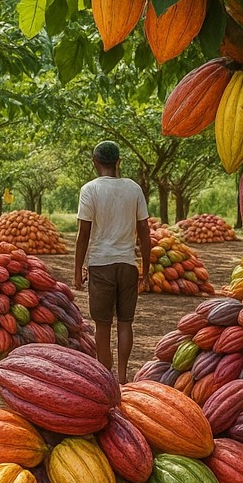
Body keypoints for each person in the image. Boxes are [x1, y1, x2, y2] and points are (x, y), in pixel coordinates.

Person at [74, 141, 152, 383]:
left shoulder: (89, 190)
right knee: (126, 323)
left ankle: (105, 377)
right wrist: (146, 270)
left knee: (103, 325)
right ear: (119, 162)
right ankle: (123, 376)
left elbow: (83, 234)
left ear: (95, 162)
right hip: (128, 264)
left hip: (101, 264)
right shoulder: (134, 188)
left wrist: (77, 270)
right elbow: (145, 232)